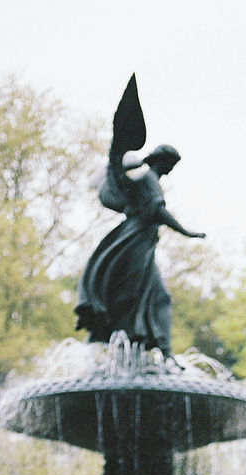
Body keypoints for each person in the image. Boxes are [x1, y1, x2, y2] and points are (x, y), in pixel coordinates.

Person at [76, 76, 206, 354]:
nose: (171, 170)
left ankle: (157, 349)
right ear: (162, 161)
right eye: (171, 164)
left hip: (141, 242)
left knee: (154, 295)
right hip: (134, 240)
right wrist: (188, 232)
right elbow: (158, 212)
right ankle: (124, 344)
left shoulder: (146, 179)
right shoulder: (149, 179)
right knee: (134, 294)